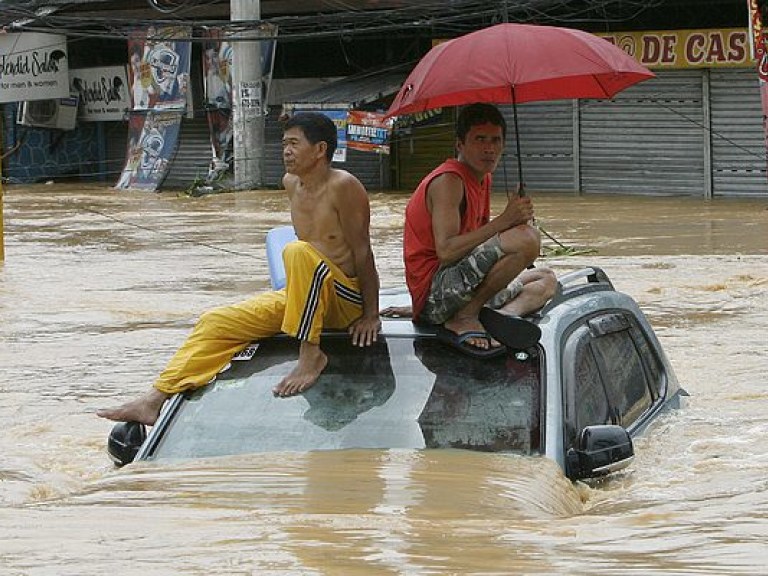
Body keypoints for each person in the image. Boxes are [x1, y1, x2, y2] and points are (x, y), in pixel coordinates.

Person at [98, 112, 381, 425]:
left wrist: (371, 314)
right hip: (306, 298)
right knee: (216, 321)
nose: (285, 150)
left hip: (343, 300)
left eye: (294, 143)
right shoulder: (291, 184)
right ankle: (154, 399)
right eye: (284, 143)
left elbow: (363, 252)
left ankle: (311, 352)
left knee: (297, 251)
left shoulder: (344, 186)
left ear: (320, 149)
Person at [401, 103, 557, 356]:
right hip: (436, 293)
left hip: (460, 287)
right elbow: (447, 251)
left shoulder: (483, 177)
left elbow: (481, 244)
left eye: (496, 140)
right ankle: (467, 315)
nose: (489, 148)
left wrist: (516, 221)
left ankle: (500, 317)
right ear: (459, 145)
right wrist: (505, 222)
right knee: (528, 240)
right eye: (480, 139)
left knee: (547, 278)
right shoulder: (449, 181)